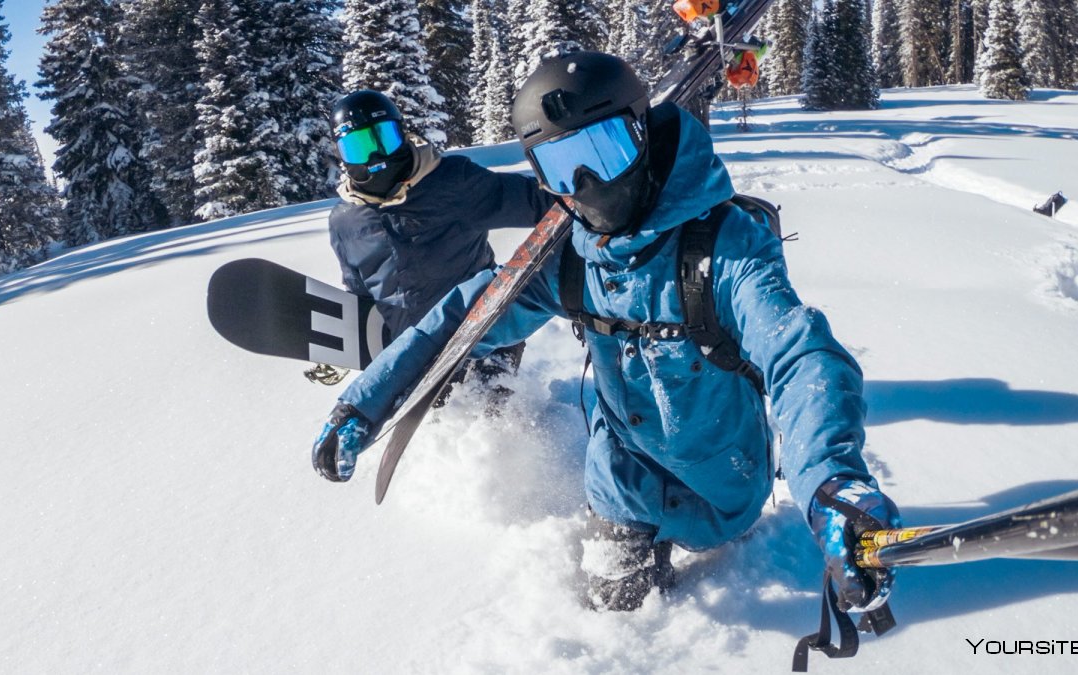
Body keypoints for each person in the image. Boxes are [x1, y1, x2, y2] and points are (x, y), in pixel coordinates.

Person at [312, 55, 900, 618]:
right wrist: (363, 404)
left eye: (603, 151)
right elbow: (460, 322)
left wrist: (832, 481)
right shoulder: (568, 258)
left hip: (726, 486)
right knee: (615, 611)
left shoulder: (720, 248)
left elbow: (801, 355)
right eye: (562, 167)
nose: (587, 184)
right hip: (621, 485)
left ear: (642, 134)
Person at [320, 89, 553, 390]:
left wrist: (593, 196)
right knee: (440, 427)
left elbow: (537, 201)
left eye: (384, 139)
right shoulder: (345, 221)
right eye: (358, 147)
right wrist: (343, 346)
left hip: (483, 337)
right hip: (414, 355)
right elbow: (361, 293)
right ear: (341, 155)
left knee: (488, 427)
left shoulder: (452, 182)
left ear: (403, 133)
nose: (376, 157)